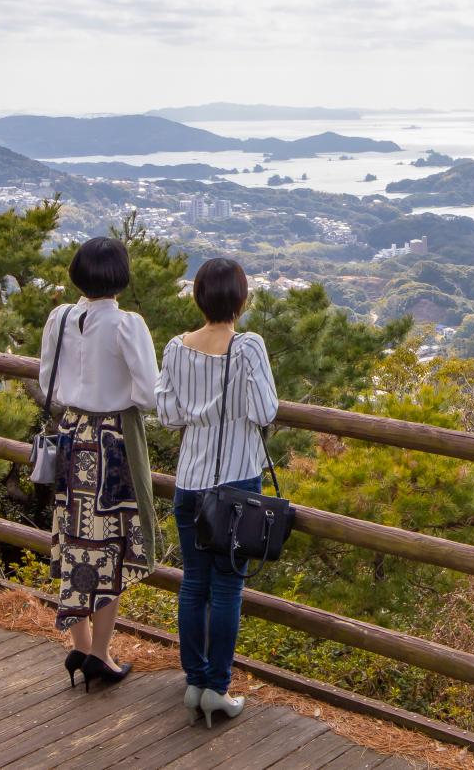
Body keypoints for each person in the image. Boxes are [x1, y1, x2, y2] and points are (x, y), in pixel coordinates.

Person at [155, 257, 279, 727]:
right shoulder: (248, 347)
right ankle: (217, 689)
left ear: (199, 297)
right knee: (227, 588)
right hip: (235, 485)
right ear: (241, 299)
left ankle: (194, 681)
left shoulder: (175, 347)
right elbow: (265, 410)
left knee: (193, 583)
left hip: (189, 481)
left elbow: (168, 415)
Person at [39, 237, 160, 692]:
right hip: (111, 441)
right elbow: (148, 395)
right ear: (121, 276)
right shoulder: (128, 325)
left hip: (71, 435)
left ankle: (81, 645)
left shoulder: (61, 317)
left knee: (75, 539)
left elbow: (45, 379)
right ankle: (101, 655)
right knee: (110, 547)